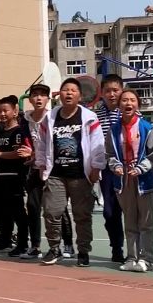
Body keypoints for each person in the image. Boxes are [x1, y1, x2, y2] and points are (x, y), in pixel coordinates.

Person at [35, 78, 105, 266]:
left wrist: (96, 168)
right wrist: (42, 164)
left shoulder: (89, 117)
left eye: (73, 90)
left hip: (81, 175)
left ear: (80, 96)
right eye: (65, 90)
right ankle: (54, 248)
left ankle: (83, 251)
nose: (68, 93)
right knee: (51, 212)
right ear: (60, 94)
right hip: (56, 173)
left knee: (82, 215)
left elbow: (98, 145)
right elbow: (41, 143)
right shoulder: (50, 118)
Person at [107, 89, 153, 272]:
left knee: (146, 221)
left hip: (143, 179)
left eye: (132, 100)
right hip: (123, 179)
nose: (128, 103)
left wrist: (140, 168)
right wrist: (116, 166)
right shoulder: (113, 130)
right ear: (119, 105)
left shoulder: (147, 128)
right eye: (124, 100)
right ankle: (131, 257)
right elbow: (110, 154)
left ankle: (146, 258)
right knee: (129, 220)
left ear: (137, 104)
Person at [0, 96, 31, 256]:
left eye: (6, 110)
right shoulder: (0, 129)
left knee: (18, 210)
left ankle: (23, 243)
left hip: (15, 176)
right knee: (1, 210)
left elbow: (18, 153)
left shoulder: (19, 131)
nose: (2, 114)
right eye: (0, 111)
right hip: (0, 176)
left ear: (15, 111)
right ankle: (4, 239)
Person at [95, 74, 126, 263]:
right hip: (107, 170)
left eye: (115, 90)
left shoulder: (129, 111)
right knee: (109, 211)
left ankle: (135, 251)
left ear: (122, 90)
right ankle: (116, 247)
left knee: (130, 211)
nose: (112, 94)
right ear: (102, 93)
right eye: (108, 90)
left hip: (128, 169)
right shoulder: (96, 115)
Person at [23, 83, 51, 258]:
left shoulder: (53, 119)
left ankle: (67, 245)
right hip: (33, 170)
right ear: (30, 99)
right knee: (32, 206)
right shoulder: (24, 120)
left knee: (55, 209)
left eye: (42, 95)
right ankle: (35, 246)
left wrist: (36, 154)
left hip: (52, 169)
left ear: (48, 98)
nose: (39, 98)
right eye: (35, 95)